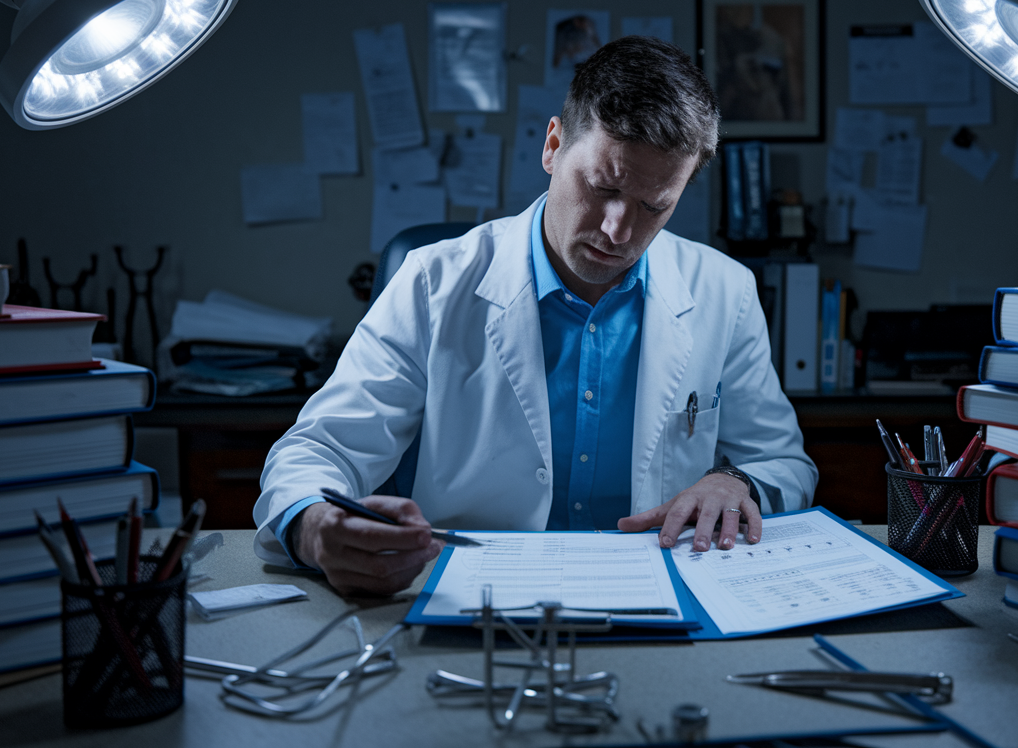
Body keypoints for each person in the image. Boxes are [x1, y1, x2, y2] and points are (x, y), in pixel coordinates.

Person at [253, 36, 817, 595]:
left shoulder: (726, 290)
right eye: (602, 187)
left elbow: (784, 463)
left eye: (654, 206)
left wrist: (734, 479)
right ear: (552, 146)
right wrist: (312, 528)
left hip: (659, 597)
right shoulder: (432, 281)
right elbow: (318, 451)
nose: (618, 231)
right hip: (470, 596)